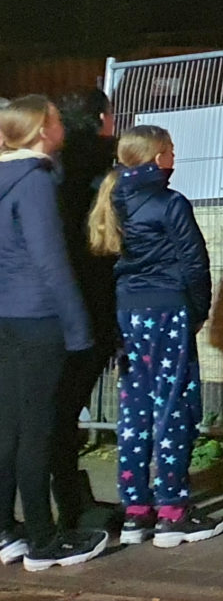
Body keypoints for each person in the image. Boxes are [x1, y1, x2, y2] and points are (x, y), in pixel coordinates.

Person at [88, 125, 223, 547]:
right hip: (169, 312)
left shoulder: (109, 202)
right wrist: (198, 313)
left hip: (128, 314)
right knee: (173, 409)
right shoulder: (170, 203)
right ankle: (172, 511)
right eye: (170, 151)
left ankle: (135, 511)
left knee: (134, 412)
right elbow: (195, 264)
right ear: (157, 157)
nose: (174, 159)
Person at [0, 96, 109, 571]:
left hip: (5, 316)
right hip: (39, 316)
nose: (64, 126)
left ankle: (6, 528)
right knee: (38, 431)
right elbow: (50, 260)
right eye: (58, 120)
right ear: (43, 130)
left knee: (8, 427)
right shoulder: (37, 180)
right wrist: (78, 327)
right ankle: (44, 540)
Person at [51, 88, 120, 534]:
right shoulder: (102, 169)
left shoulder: (53, 168)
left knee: (56, 411)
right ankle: (71, 507)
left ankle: (70, 499)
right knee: (62, 412)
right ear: (101, 118)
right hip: (89, 305)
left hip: (47, 310)